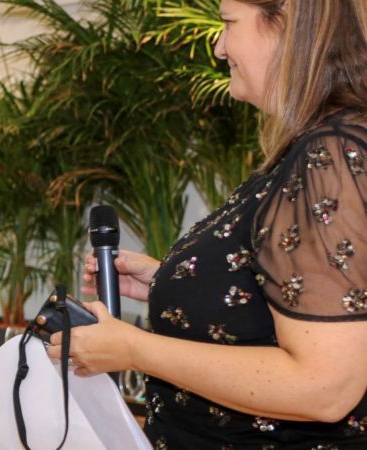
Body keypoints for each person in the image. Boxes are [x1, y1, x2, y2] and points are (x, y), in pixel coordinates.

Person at [54, 1, 367, 447]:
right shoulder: (318, 148)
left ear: (288, 23)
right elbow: (295, 307)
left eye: (228, 23)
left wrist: (134, 349)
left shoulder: (331, 154)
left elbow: (325, 386)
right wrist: (178, 282)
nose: (219, 47)